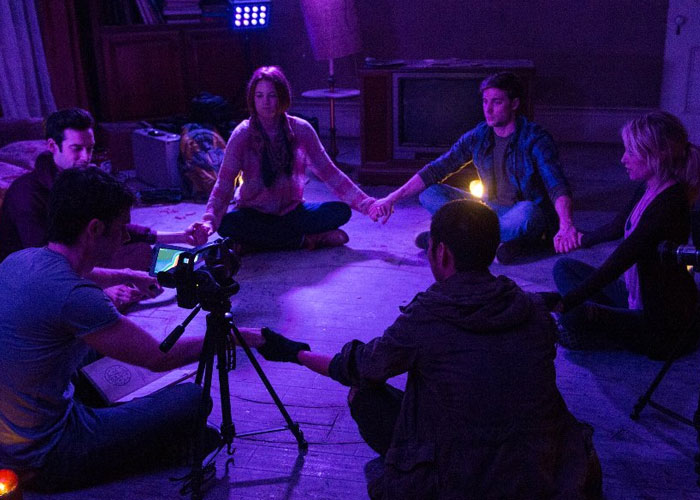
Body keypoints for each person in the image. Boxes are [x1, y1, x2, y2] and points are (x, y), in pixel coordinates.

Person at [243, 199, 602, 499]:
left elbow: (355, 367)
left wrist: (290, 351)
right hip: (539, 470)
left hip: (461, 479)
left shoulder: (428, 318)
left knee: (363, 395)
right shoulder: (532, 310)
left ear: (441, 253)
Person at [0, 168, 218, 492]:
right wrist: (231, 336)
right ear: (94, 229)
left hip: (10, 434)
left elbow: (78, 275)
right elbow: (159, 357)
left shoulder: (19, 260)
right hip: (47, 453)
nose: (124, 238)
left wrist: (127, 274)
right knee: (192, 399)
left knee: (97, 349)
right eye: (121, 229)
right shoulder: (78, 298)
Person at [0, 108, 206, 309]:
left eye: (90, 148)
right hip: (30, 278)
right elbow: (45, 266)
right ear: (53, 146)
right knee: (124, 266)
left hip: (69, 260)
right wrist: (103, 289)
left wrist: (180, 236)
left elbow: (112, 227)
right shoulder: (27, 195)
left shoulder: (80, 179)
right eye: (76, 148)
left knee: (141, 252)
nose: (85, 157)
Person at [369, 71, 580, 263]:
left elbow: (556, 185)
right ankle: (485, 239)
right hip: (487, 211)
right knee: (430, 194)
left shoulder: (535, 139)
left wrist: (566, 225)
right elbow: (436, 169)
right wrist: (390, 199)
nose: (488, 109)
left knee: (529, 212)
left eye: (497, 102)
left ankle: (455, 238)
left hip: (519, 212)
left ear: (514, 104)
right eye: (485, 101)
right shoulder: (480, 135)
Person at [552, 111, 700, 360]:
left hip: (659, 322)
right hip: (635, 298)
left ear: (657, 155)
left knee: (572, 315)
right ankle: (602, 324)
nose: (623, 158)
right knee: (564, 268)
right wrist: (578, 238)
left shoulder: (670, 203)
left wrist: (567, 303)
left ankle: (602, 331)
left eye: (631, 152)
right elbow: (618, 226)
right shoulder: (650, 186)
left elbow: (620, 260)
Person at [188, 66, 376, 253]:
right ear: (252, 99)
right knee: (226, 224)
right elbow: (224, 182)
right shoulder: (242, 134)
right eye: (259, 96)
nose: (265, 102)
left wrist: (367, 204)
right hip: (254, 213)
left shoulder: (301, 129)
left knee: (341, 212)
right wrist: (209, 220)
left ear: (282, 97)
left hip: (292, 211)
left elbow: (330, 173)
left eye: (272, 95)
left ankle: (256, 244)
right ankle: (305, 240)